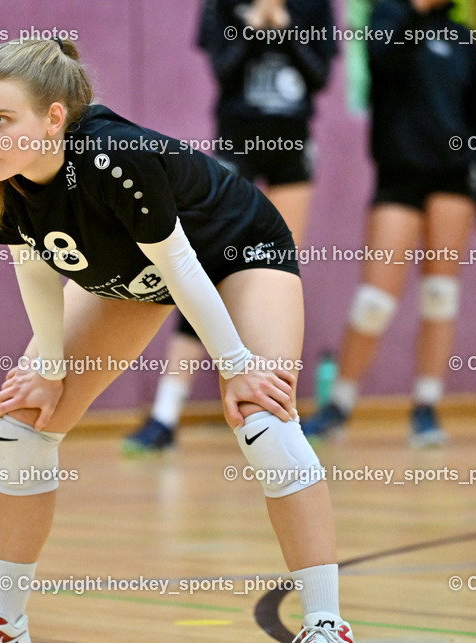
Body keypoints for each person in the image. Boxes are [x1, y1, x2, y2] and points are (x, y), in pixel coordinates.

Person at [0, 38, 358, 643]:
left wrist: (236, 364)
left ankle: (327, 632)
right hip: (130, 274)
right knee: (24, 422)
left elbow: (184, 269)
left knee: (263, 415)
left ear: (55, 118)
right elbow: (36, 269)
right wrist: (49, 365)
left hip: (233, 252)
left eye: (2, 120)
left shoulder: (116, 158)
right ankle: (2, 627)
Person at [125, 0, 337, 453]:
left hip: (292, 146)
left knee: (276, 272)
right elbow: (222, 70)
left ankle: (274, 412)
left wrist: (286, 28)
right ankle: (166, 413)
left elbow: (319, 77)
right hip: (237, 142)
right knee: (205, 267)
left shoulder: (313, 5)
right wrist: (252, 27)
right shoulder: (223, 4)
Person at [302, 0, 476, 447]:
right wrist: (414, 12)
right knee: (375, 299)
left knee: (440, 295)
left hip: (454, 179)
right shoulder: (387, 19)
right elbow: (384, 63)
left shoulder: (462, 38)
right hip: (399, 176)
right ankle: (339, 405)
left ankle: (426, 406)